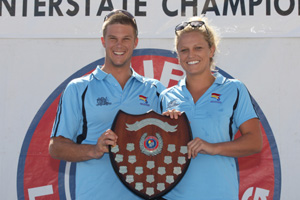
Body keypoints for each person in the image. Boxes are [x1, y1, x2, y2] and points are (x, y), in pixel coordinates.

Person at [49, 9, 165, 200]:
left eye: (126, 39)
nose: (119, 45)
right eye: (113, 38)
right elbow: (56, 147)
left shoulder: (155, 89)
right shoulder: (79, 88)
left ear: (135, 42)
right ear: (103, 41)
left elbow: (176, 142)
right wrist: (94, 150)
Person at [160, 17, 263, 200]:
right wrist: (163, 130)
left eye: (198, 48)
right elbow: (154, 153)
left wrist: (212, 147)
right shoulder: (166, 96)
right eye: (184, 50)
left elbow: (255, 142)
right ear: (177, 55)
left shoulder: (234, 89)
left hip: (220, 194)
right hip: (172, 196)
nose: (191, 55)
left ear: (211, 50)